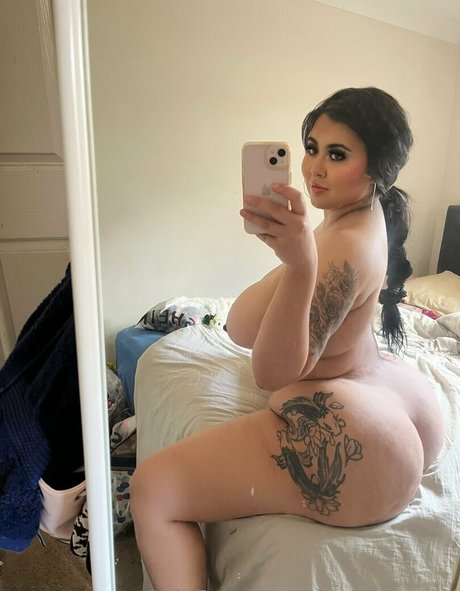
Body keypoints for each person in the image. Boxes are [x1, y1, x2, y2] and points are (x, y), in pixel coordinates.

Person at [130, 87, 445, 591]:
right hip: (389, 402)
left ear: (377, 170)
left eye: (337, 155)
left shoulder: (341, 246)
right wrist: (295, 257)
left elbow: (271, 372)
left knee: (152, 489)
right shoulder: (365, 220)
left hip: (366, 445)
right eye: (312, 147)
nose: (315, 167)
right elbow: (249, 322)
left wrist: (299, 267)